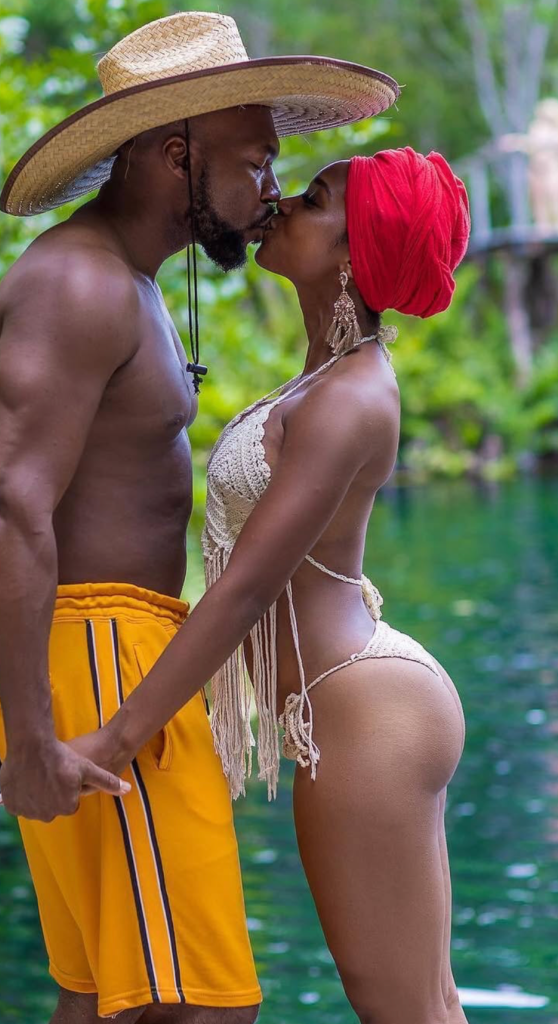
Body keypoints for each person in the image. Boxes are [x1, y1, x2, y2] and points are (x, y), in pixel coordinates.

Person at [0, 10, 399, 1023]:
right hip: (90, 649)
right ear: (175, 156)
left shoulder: (128, 281)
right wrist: (33, 738)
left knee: (103, 997)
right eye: (254, 162)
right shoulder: (79, 283)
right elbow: (11, 508)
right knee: (198, 1005)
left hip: (107, 648)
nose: (270, 190)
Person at [76, 147, 471, 1024]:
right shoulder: (325, 378)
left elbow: (248, 588)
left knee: (402, 1007)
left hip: (362, 710)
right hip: (342, 706)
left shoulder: (351, 397)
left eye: (315, 198)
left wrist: (118, 735)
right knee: (422, 1005)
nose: (284, 202)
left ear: (354, 252)